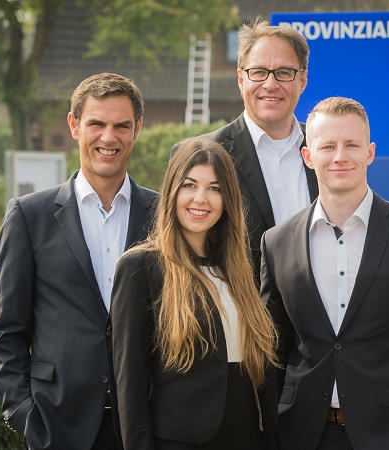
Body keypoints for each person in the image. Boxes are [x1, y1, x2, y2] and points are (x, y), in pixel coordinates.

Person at [261, 97, 389, 450]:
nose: (340, 156)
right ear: (308, 156)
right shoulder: (277, 243)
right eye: (327, 146)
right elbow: (272, 352)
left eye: (351, 145)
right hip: (304, 435)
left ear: (370, 152)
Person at [0, 72, 158, 449]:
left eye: (121, 126)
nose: (109, 137)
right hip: (58, 426)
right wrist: (24, 415)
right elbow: (5, 331)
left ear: (137, 129)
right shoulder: (29, 216)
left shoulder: (163, 216)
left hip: (147, 425)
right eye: (96, 124)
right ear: (74, 125)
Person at [111, 138, 279, 450]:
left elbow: (262, 373)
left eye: (215, 188)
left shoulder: (242, 270)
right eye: (189, 185)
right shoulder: (140, 268)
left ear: (228, 199)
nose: (201, 198)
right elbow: (130, 386)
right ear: (172, 191)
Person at [174, 19, 318, 276]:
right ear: (241, 79)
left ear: (303, 80)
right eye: (258, 72)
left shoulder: (326, 148)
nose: (270, 84)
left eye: (284, 72)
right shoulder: (200, 155)